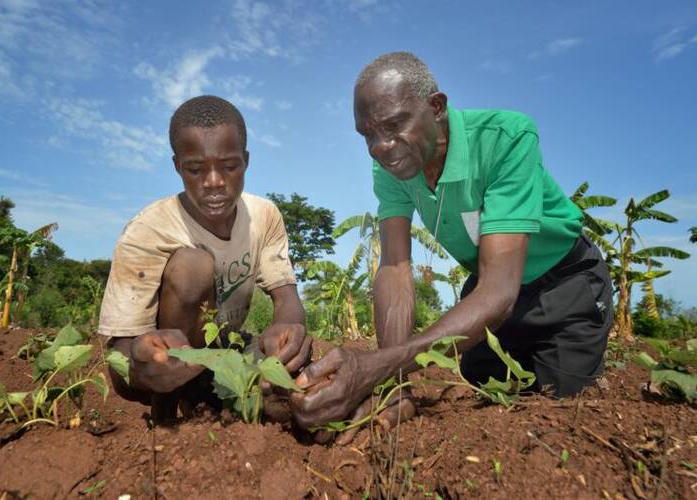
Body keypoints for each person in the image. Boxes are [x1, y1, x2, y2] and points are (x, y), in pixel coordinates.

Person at [291, 52, 613, 433]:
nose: (381, 146)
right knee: (483, 386)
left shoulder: (506, 139)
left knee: (553, 409)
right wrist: (396, 386)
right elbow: (394, 267)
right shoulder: (392, 166)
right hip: (491, 290)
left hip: (564, 287)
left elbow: (499, 290)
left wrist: (379, 367)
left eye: (395, 125)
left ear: (436, 107)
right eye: (368, 134)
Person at [99, 95, 311, 422]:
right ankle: (170, 405)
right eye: (195, 169)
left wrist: (286, 328)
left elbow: (287, 298)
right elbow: (120, 361)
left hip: (229, 356)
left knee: (301, 389)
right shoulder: (147, 232)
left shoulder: (264, 216)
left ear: (246, 161)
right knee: (193, 267)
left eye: (229, 166)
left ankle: (219, 400)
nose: (214, 182)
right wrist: (146, 371)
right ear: (177, 166)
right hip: (176, 368)